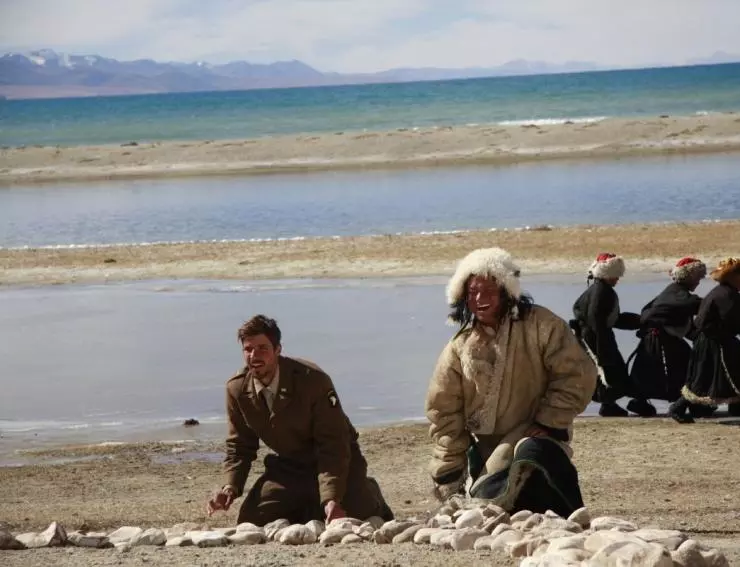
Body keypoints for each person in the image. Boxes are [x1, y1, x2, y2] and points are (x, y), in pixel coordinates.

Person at [425, 248, 596, 517]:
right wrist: (448, 470)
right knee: (487, 498)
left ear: (506, 291)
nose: (480, 299)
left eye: (489, 291)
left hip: (538, 436)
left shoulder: (542, 325)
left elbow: (576, 374)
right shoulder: (459, 347)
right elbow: (444, 411)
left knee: (531, 455)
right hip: (486, 450)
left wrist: (548, 421)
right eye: (473, 292)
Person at [207, 315, 393, 525]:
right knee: (252, 520)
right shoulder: (237, 389)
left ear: (278, 349)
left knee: (357, 512)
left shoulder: (312, 380)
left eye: (262, 348)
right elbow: (240, 445)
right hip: (291, 466)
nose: (254, 356)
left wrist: (331, 497)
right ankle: (311, 504)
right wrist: (230, 488)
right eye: (248, 349)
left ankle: (368, 491)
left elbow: (333, 443)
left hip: (336, 461)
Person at [571, 253, 650, 417]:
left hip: (593, 337)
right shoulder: (602, 292)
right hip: (597, 338)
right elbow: (597, 322)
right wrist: (602, 350)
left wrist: (639, 321)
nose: (617, 279)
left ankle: (609, 404)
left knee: (609, 373)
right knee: (611, 372)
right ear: (606, 274)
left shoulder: (598, 290)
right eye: (615, 275)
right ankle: (614, 404)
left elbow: (609, 319)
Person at [629, 257, 708, 415]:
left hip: (657, 340)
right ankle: (691, 403)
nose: (698, 282)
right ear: (688, 277)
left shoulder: (673, 292)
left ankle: (640, 402)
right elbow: (700, 306)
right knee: (684, 370)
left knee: (649, 374)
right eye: (697, 278)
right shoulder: (679, 295)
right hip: (662, 341)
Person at [670, 258, 740, 423]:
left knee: (708, 376)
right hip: (715, 342)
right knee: (703, 379)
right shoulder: (726, 295)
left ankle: (736, 407)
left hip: (713, 340)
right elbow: (733, 321)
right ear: (733, 277)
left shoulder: (723, 292)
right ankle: (678, 408)